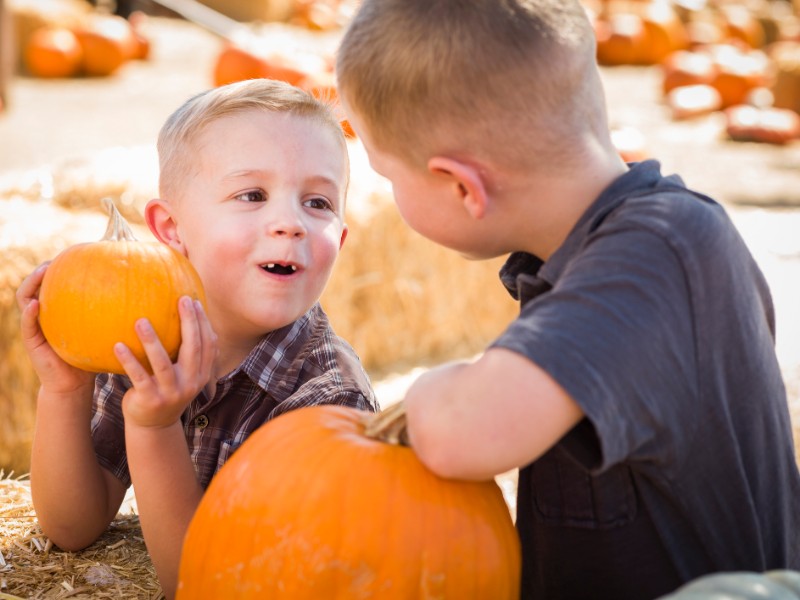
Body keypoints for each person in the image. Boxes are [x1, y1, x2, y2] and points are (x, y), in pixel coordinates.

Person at [336, 1, 800, 598]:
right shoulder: (595, 255)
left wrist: (432, 388)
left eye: (388, 176)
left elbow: (461, 433)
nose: (388, 193)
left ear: (461, 186)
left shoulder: (657, 255)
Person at [16, 78, 378, 599]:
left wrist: (154, 427)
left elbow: (204, 587)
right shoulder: (143, 342)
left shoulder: (326, 404)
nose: (290, 223)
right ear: (171, 228)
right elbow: (71, 527)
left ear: (339, 239)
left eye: (318, 203)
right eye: (252, 194)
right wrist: (65, 391)